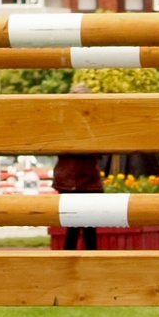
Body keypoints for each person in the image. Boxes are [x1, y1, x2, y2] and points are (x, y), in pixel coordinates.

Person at [53, 82, 104, 250]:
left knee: (78, 227)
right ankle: (83, 262)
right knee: (82, 227)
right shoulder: (86, 122)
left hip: (77, 180)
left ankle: (72, 263)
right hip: (81, 180)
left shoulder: (65, 121)